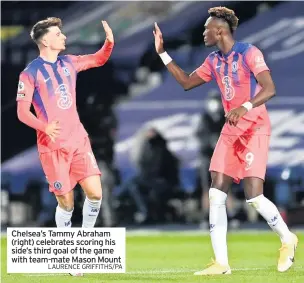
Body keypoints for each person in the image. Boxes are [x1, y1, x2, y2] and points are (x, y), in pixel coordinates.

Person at [153, 6, 298, 275]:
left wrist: (244, 105)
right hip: (231, 130)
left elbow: (270, 88)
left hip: (254, 128)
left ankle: (287, 238)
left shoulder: (249, 53)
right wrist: (162, 53)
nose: (203, 33)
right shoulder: (213, 60)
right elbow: (186, 82)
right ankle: (221, 263)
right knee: (216, 193)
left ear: (219, 31)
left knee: (254, 197)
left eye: (206, 29)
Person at [16, 17, 114, 277]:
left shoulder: (69, 62)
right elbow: (22, 112)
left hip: (79, 140)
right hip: (52, 147)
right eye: (58, 34)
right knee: (67, 204)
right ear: (46, 40)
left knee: (95, 193)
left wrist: (109, 42)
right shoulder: (30, 73)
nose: (64, 37)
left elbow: (98, 59)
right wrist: (44, 127)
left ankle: (82, 249)